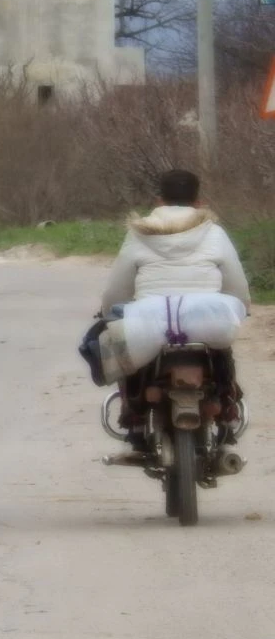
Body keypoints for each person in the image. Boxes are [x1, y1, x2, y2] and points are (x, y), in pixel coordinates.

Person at [99, 169, 250, 443]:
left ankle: (135, 420)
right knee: (221, 351)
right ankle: (227, 413)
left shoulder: (139, 234)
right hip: (208, 319)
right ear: (198, 203)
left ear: (159, 201)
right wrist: (242, 307)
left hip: (150, 320)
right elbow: (236, 284)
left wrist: (110, 310)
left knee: (133, 364)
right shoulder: (214, 233)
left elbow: (118, 288)